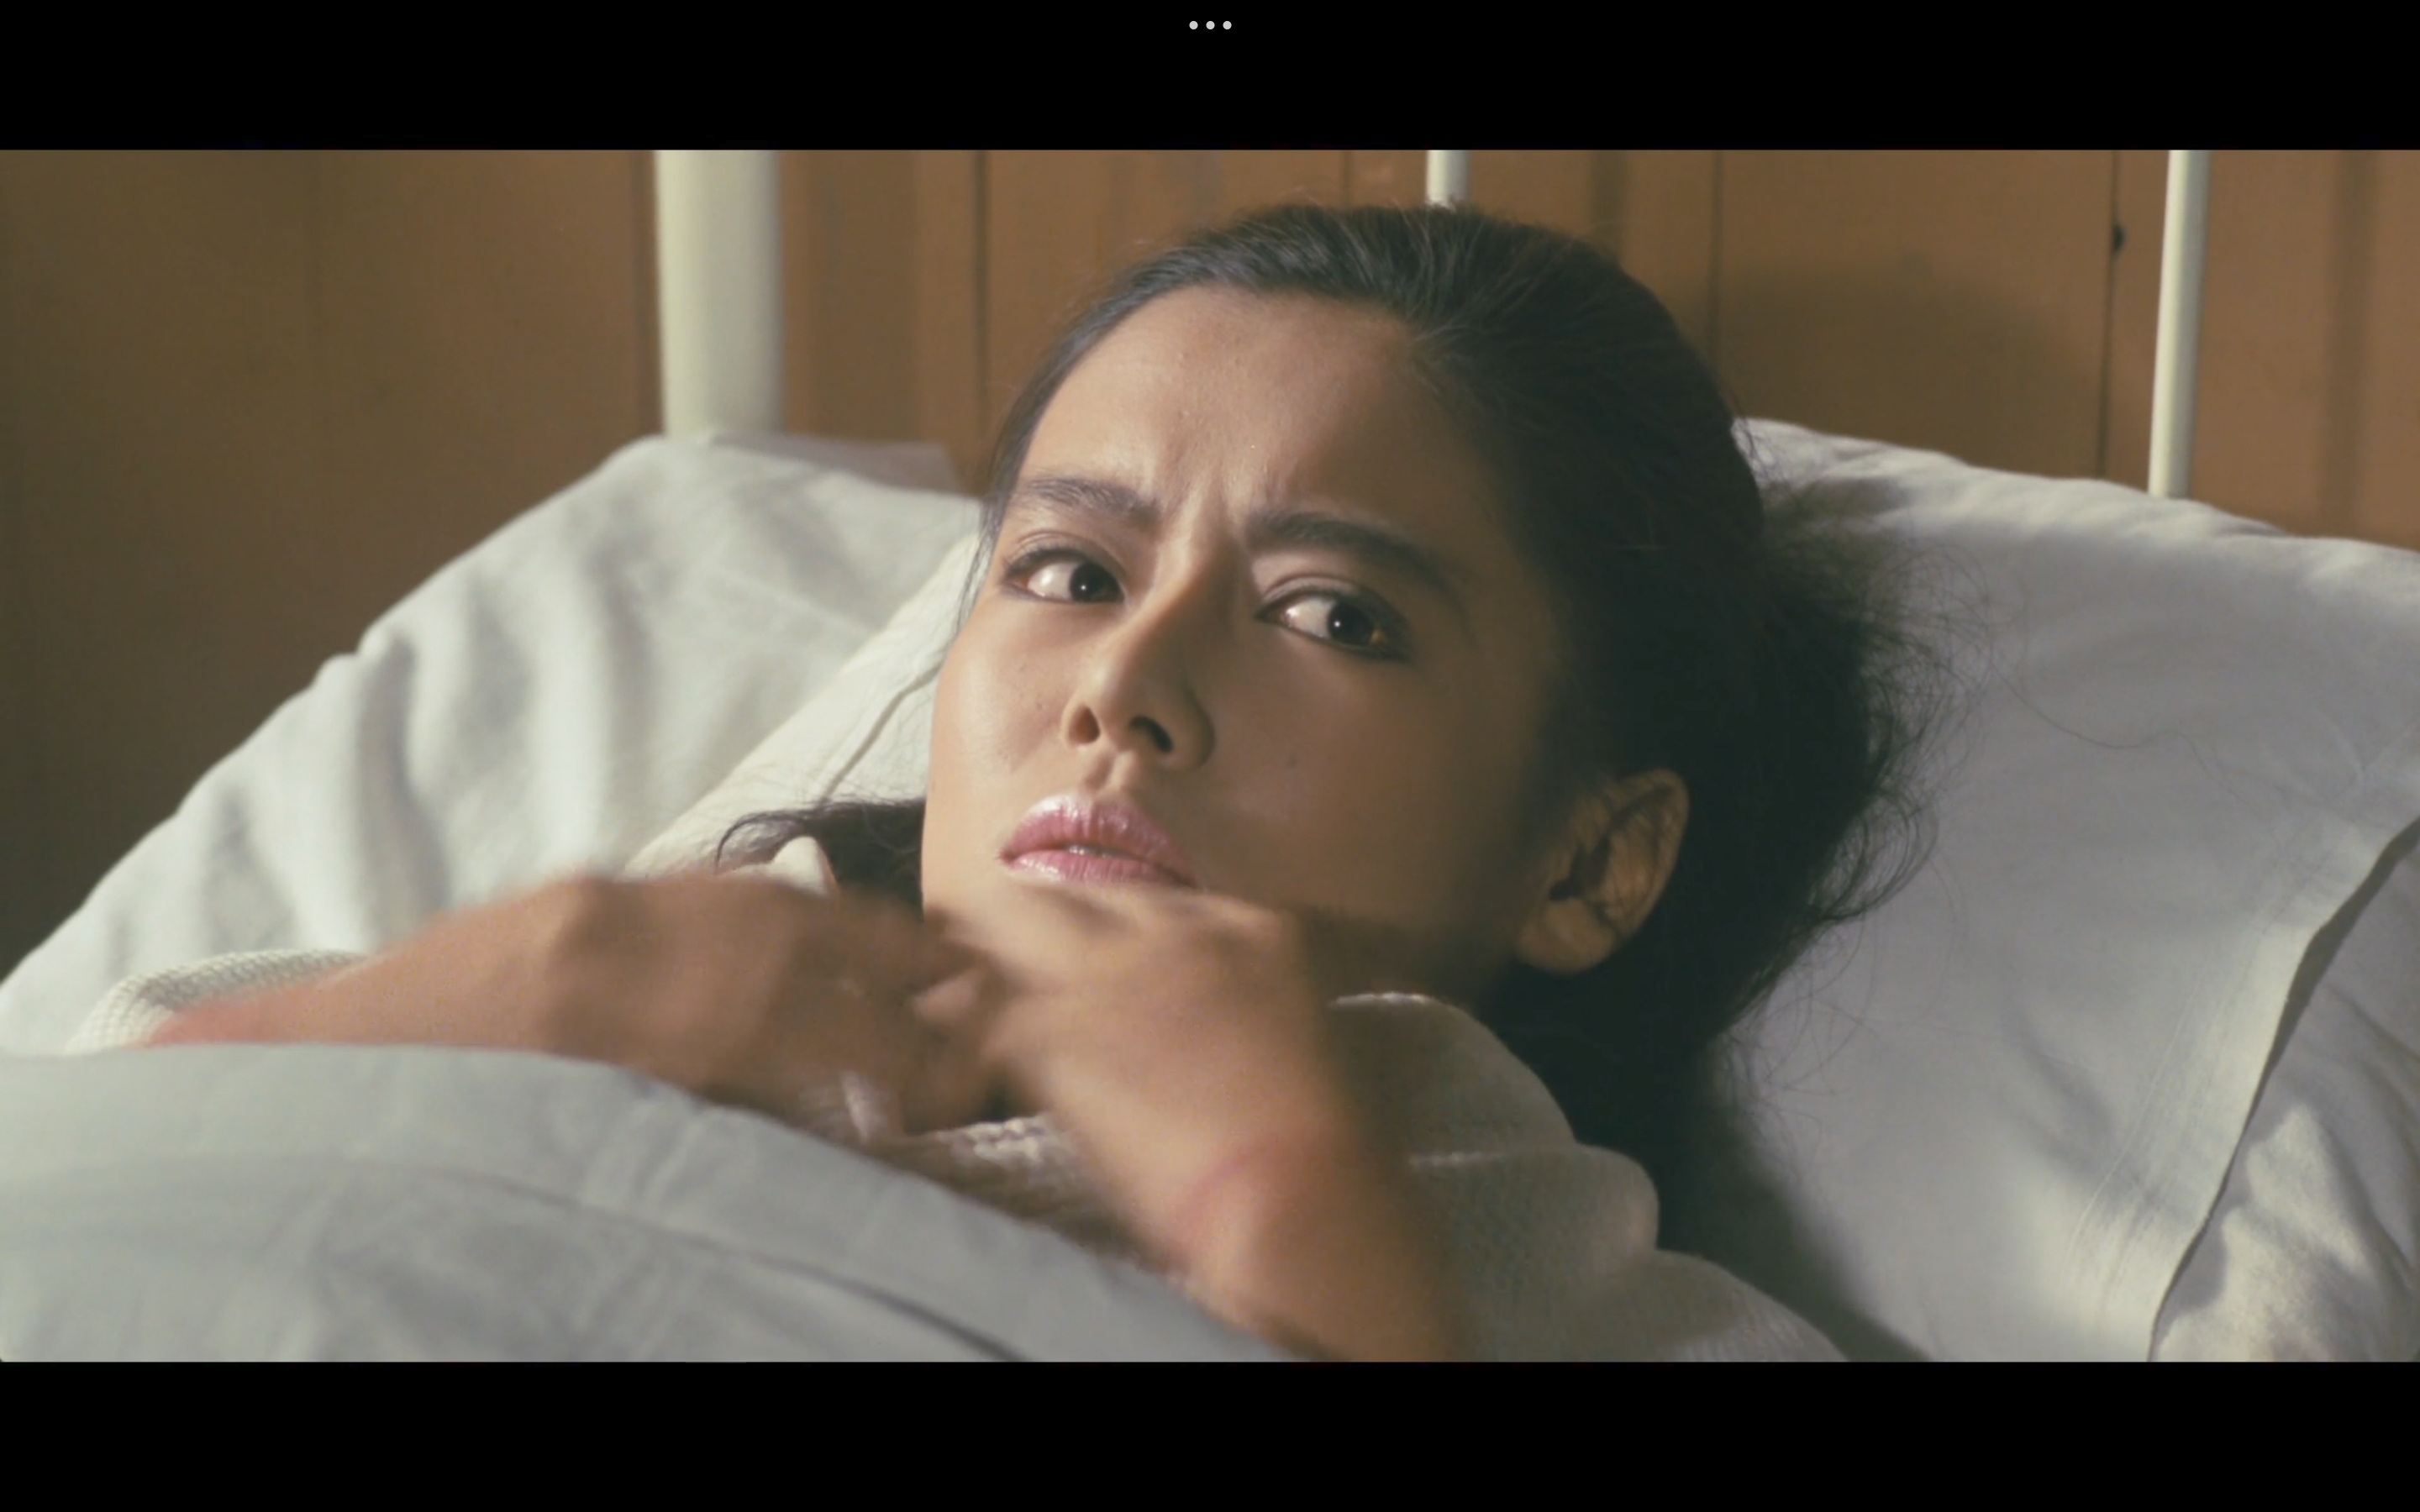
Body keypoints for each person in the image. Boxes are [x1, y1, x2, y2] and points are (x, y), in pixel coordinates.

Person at [137, 204, 1927, 1361]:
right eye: (1070, 572)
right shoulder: (544, 1010)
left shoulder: (1574, 1293)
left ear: (1595, 861)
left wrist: (1286, 1213)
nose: (1124, 690)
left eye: (1333, 615)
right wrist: (416, 1025)